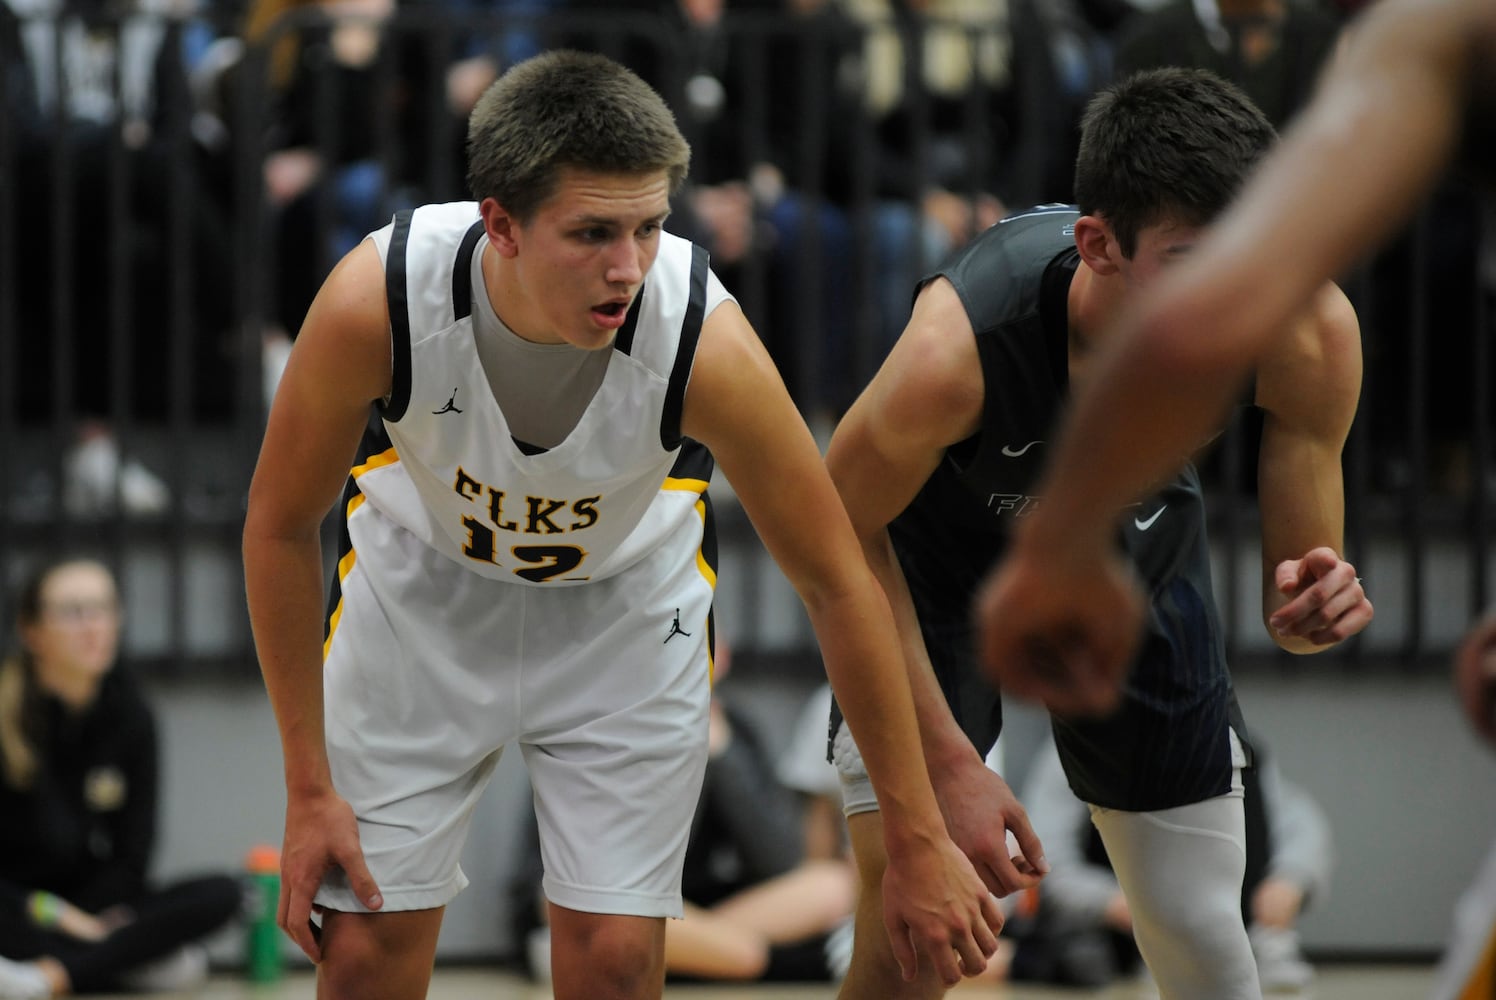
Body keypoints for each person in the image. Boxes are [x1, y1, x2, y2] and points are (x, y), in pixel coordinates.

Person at [240, 48, 1002, 1000]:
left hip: (626, 616)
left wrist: (916, 833)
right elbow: (278, 525)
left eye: (649, 227)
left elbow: (837, 578)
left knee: (613, 964)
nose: (629, 266)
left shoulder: (702, 335)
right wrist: (307, 788)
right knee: (358, 963)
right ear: (501, 225)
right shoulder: (378, 299)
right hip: (418, 600)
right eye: (594, 232)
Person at [822, 67, 1373, 1000]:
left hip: (1131, 553)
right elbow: (834, 548)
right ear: (1098, 245)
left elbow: (1294, 603)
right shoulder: (950, 357)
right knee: (913, 938)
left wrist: (1311, 608)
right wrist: (952, 767)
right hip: (934, 571)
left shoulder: (1304, 329)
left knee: (1201, 927)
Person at [972, 0, 1495, 716]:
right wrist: (1314, 603)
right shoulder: (967, 333)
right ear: (1098, 246)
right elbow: (1302, 608)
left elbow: (1197, 324)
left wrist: (1058, 547)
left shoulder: (1434, 35)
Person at [0, 557, 243, 999]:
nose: (93, 626)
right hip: (19, 907)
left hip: (91, 907)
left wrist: (91, 918)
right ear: (31, 631)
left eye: (104, 608)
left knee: (223, 893)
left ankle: (49, 976)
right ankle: (117, 962)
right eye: (73, 612)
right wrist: (59, 915)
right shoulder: (7, 714)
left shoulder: (130, 716)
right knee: (174, 964)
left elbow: (133, 858)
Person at [1012, 731, 1333, 992]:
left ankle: (1260, 944)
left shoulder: (1232, 738)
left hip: (1234, 919)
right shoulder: (1070, 746)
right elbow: (1048, 854)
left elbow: (1300, 821)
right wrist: (1117, 904)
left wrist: (1290, 880)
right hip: (1122, 935)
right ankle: (1163, 949)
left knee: (1234, 766)